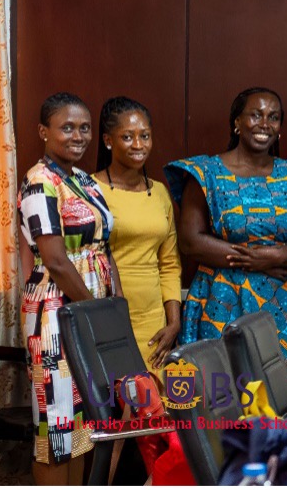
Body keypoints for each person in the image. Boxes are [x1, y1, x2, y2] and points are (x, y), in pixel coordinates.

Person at [166, 87, 287, 412]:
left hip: (285, 308)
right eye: (255, 115)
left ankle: (281, 463)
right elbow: (190, 241)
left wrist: (282, 256)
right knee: (226, 403)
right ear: (237, 122)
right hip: (222, 301)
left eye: (273, 117)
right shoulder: (207, 173)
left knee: (285, 399)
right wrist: (254, 261)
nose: (264, 123)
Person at [19, 93, 119, 483]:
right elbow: (57, 261)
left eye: (84, 128)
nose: (78, 136)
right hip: (56, 315)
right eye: (66, 127)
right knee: (58, 429)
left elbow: (104, 248)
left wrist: (114, 308)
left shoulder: (81, 179)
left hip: (89, 309)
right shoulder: (38, 182)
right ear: (44, 131)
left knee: (82, 431)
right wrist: (95, 315)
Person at [93, 96, 181, 372]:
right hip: (109, 315)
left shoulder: (160, 193)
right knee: (119, 406)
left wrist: (174, 322)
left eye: (145, 136)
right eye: (128, 137)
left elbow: (169, 263)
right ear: (109, 140)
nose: (139, 144)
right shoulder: (91, 190)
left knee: (158, 408)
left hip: (155, 323)